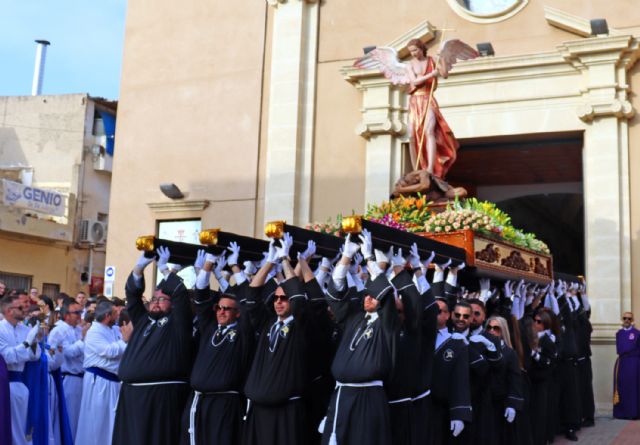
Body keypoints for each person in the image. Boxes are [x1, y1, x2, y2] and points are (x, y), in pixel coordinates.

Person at [320, 234, 398, 445]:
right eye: (365, 295)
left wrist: (369, 257)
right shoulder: (354, 318)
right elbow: (336, 290)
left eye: (373, 295)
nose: (367, 298)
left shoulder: (388, 323)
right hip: (341, 396)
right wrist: (346, 257)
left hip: (368, 399)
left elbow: (387, 294)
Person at [112, 246, 193, 445]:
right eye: (154, 299)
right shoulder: (144, 320)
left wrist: (167, 270)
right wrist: (140, 268)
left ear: (172, 303)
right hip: (131, 395)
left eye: (162, 300)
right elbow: (132, 297)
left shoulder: (179, 323)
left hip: (161, 397)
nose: (156, 303)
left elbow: (181, 294)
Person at [242, 235, 313, 445]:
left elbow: (299, 298)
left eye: (284, 298)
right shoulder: (267, 324)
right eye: (276, 298)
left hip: (286, 411)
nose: (279, 302)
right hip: (259, 409)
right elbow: (252, 296)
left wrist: (285, 260)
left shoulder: (301, 324)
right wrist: (270, 262)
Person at [180, 251, 254, 445]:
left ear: (237, 313)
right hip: (198, 402)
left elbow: (248, 302)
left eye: (227, 309)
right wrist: (208, 264)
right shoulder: (210, 328)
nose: (221, 311)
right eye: (218, 308)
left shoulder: (243, 332)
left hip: (224, 405)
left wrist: (233, 271)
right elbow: (201, 296)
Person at [75, 300, 131, 445]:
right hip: (98, 382)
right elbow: (109, 351)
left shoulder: (112, 329)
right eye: (115, 313)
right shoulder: (94, 332)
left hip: (112, 382)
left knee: (110, 422)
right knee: (96, 423)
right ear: (107, 315)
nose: (118, 316)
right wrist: (125, 341)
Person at [405, 38, 459, 177]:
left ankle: (429, 168)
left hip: (428, 99)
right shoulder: (410, 65)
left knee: (429, 132)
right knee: (411, 135)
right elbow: (415, 82)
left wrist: (441, 59)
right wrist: (431, 74)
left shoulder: (432, 60)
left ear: (421, 48)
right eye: (411, 51)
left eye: (415, 50)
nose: (413, 54)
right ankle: (416, 168)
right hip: (415, 101)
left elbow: (445, 74)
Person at [0, 295, 42, 445]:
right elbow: (7, 357)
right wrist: (26, 343)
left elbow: (35, 356)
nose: (25, 309)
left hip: (20, 382)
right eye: (20, 307)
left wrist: (35, 341)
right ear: (9, 311)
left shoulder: (25, 329)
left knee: (20, 426)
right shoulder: (0, 329)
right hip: (5, 384)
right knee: (8, 427)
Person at [430, 298, 472, 444]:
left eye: (439, 311)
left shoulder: (457, 342)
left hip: (441, 410)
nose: (434, 314)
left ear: (448, 315)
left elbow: (460, 379)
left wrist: (459, 413)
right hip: (418, 405)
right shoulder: (419, 336)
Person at [48, 298, 88, 440]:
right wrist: (83, 340)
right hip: (69, 378)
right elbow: (68, 352)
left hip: (82, 378)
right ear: (66, 315)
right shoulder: (58, 330)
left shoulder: (78, 329)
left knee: (79, 419)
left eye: (80, 312)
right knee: (70, 419)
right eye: (76, 312)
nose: (79, 315)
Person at [485, 316, 524, 445]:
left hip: (501, 404)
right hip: (484, 402)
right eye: (489, 327)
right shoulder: (481, 348)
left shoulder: (510, 353)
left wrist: (512, 404)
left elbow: (515, 379)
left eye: (496, 328)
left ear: (503, 331)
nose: (491, 331)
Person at [613, 311, 640, 419]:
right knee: (622, 387)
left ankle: (633, 413)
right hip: (622, 363)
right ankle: (622, 413)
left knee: (633, 388)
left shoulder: (637, 333)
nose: (627, 320)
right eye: (625, 318)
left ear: (632, 320)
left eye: (629, 319)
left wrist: (631, 353)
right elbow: (619, 349)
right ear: (622, 320)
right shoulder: (618, 333)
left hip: (634, 363)